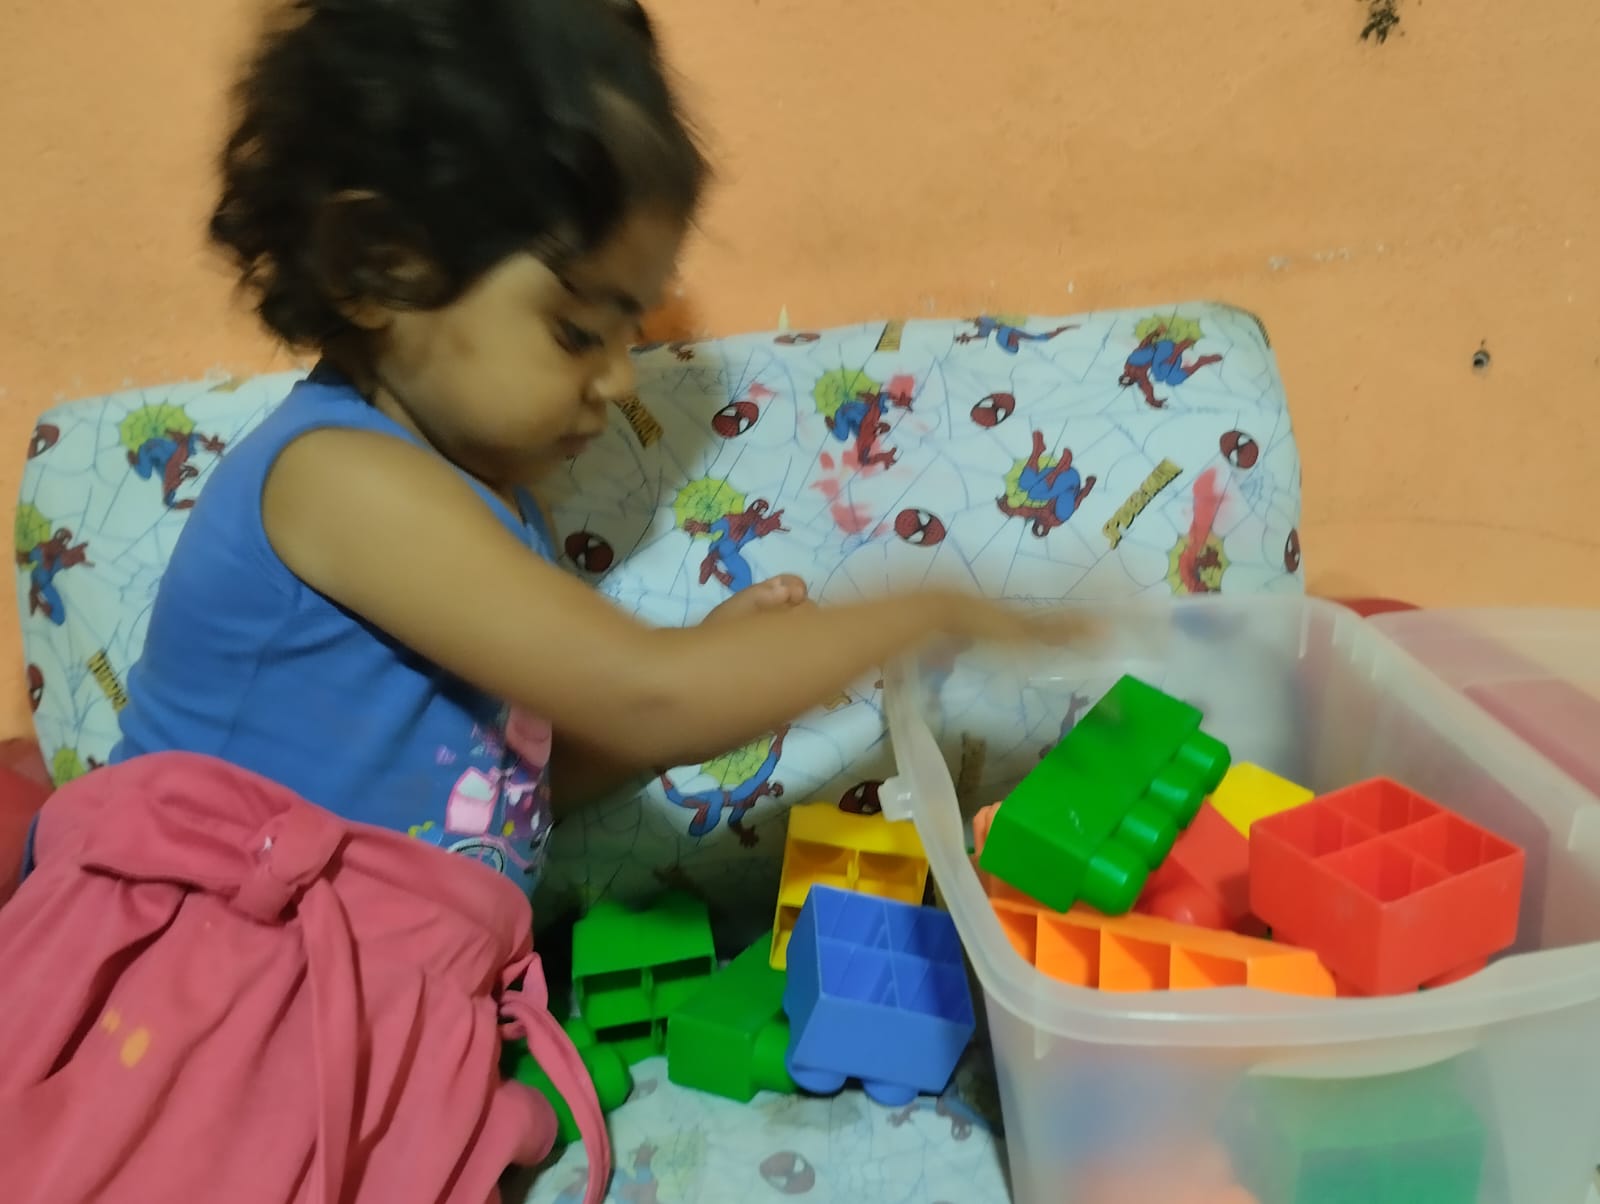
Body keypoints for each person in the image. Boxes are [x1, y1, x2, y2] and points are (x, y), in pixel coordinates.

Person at [110, 0, 1089, 894]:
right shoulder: (340, 481)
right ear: (379, 267)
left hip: (390, 973)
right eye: (579, 331)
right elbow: (643, 696)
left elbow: (515, 795)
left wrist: (715, 674)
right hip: (216, 961)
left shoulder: (494, 510)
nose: (622, 381)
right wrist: (923, 609)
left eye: (632, 334)